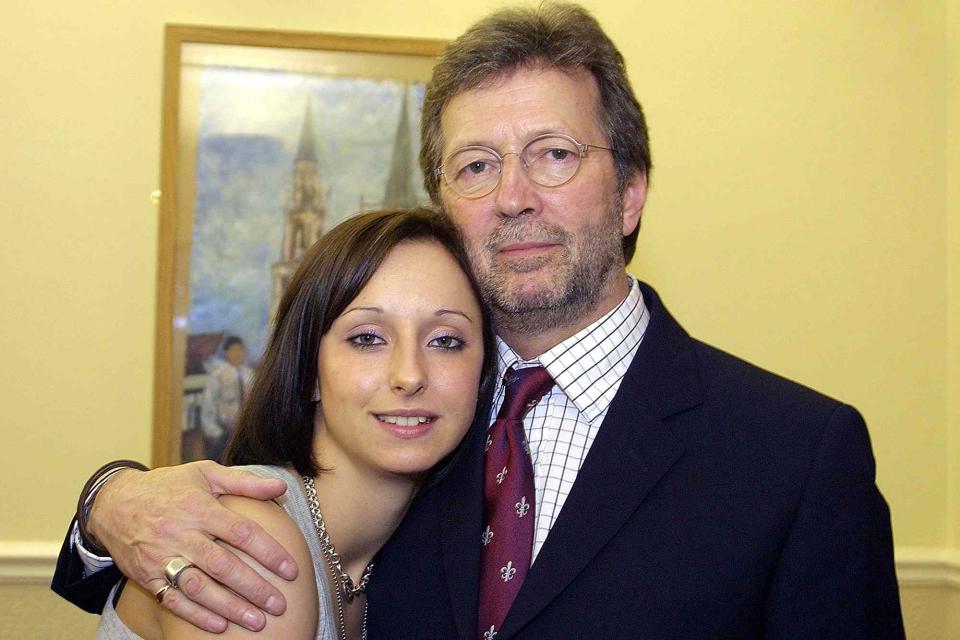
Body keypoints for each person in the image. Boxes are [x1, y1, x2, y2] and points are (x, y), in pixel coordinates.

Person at [53, 3, 905, 638]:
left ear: (632, 191)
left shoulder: (796, 454)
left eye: (554, 153)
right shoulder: (416, 428)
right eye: (476, 165)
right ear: (444, 204)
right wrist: (109, 503)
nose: (514, 197)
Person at [89, 207, 495, 639]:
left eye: (446, 340)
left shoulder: (403, 558)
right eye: (367, 339)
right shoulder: (252, 544)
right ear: (309, 373)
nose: (410, 375)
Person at [200, 336, 254, 462]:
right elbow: (209, 404)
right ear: (226, 352)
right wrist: (215, 432)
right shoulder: (218, 375)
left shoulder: (249, 375)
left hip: (245, 432)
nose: (237, 354)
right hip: (224, 432)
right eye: (234, 350)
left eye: (240, 350)